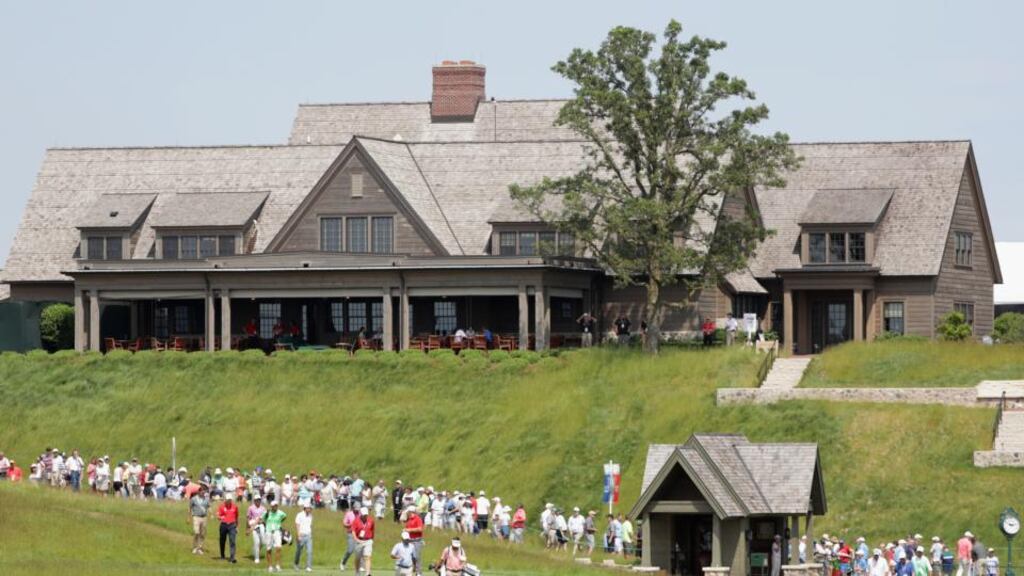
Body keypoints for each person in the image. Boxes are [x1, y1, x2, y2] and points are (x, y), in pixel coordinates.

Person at [263, 499, 287, 572]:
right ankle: (270, 566)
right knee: (269, 549)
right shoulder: (267, 513)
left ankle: (277, 565)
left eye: (276, 505)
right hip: (269, 532)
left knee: (278, 548)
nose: (275, 507)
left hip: (277, 531)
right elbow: (263, 519)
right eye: (274, 506)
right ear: (271, 506)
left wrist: (279, 523)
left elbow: (284, 517)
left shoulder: (280, 513)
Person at [352, 506, 375, 575]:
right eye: (364, 515)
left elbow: (372, 530)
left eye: (366, 515)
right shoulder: (356, 521)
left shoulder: (371, 520)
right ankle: (357, 572)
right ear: (361, 514)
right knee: (357, 558)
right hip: (359, 540)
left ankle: (367, 573)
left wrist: (371, 539)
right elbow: (353, 531)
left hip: (368, 540)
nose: (365, 516)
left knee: (367, 556)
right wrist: (356, 539)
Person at [189, 485, 211, 555]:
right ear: (199, 492)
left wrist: (211, 513)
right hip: (196, 517)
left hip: (204, 517)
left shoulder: (206, 499)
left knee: (202, 533)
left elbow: (209, 507)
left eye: (204, 492)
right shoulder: (194, 499)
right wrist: (188, 517)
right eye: (202, 492)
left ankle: (199, 547)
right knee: (196, 532)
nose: (203, 493)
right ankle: (195, 547)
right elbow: (190, 508)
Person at [217, 495, 239, 563]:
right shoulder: (221, 506)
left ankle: (232, 558)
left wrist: (237, 526)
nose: (229, 502)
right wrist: (220, 517)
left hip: (232, 525)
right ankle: (222, 555)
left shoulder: (235, 507)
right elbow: (218, 515)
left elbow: (237, 517)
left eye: (230, 500)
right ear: (225, 500)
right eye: (227, 500)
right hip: (223, 525)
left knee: (232, 541)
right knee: (222, 540)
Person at [404, 505, 425, 575]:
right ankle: (412, 571)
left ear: (411, 512)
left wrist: (409, 530)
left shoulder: (418, 519)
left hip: (417, 541)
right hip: (409, 541)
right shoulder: (409, 519)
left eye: (408, 512)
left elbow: (420, 529)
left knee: (417, 557)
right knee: (411, 557)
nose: (407, 513)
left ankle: (419, 573)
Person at [247, 494, 267, 565]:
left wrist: (263, 521)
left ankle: (255, 550)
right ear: (254, 501)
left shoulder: (263, 508)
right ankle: (257, 558)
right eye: (257, 500)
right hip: (254, 527)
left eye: (259, 500)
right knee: (256, 542)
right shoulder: (251, 508)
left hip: (262, 525)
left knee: (263, 542)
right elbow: (248, 518)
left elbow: (265, 518)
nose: (258, 501)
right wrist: (248, 528)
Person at [294, 503, 313, 572]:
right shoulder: (299, 515)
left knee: (309, 551)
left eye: (310, 508)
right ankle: (296, 564)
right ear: (305, 508)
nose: (310, 509)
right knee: (299, 551)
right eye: (308, 508)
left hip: (308, 535)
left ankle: (309, 566)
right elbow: (297, 525)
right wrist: (298, 535)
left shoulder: (310, 516)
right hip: (301, 535)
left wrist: (310, 533)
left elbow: (310, 526)